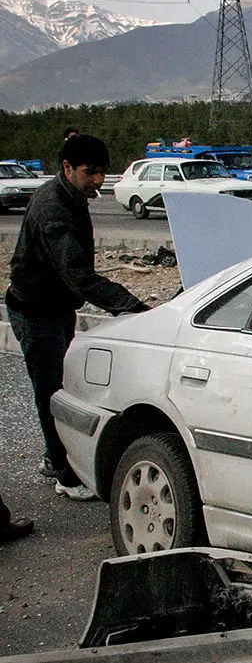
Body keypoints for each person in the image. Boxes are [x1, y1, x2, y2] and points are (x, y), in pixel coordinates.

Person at [5, 134, 148, 500]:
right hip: (36, 312)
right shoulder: (53, 207)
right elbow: (78, 275)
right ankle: (66, 475)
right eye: (90, 172)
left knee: (60, 385)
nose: (99, 180)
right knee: (51, 390)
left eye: (103, 172)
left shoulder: (70, 194)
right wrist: (133, 307)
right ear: (67, 168)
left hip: (54, 307)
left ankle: (56, 459)